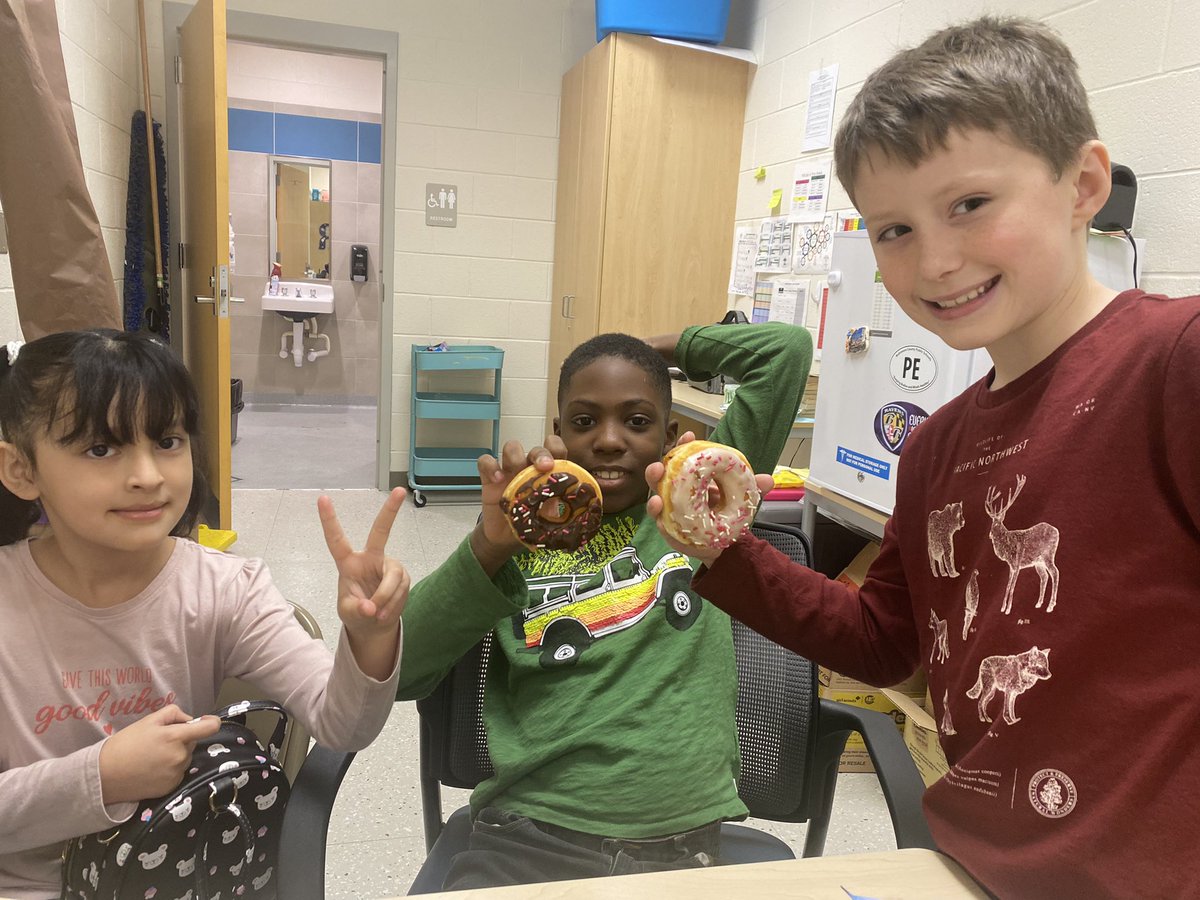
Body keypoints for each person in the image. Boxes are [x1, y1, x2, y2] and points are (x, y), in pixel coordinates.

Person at [645, 16, 1200, 899]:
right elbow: (883, 642)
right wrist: (721, 550)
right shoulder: (938, 447)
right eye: (892, 229)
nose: (934, 260)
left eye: (971, 205)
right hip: (973, 861)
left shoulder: (1171, 362)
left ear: (1083, 184)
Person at [397, 321, 812, 888]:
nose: (610, 439)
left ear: (670, 437)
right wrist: (487, 549)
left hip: (682, 853)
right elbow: (400, 670)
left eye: (637, 421)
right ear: (558, 432)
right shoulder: (519, 538)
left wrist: (647, 344)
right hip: (525, 840)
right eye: (585, 421)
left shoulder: (692, 514)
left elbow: (783, 353)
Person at [0, 329, 410, 899]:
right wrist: (100, 777)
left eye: (168, 441)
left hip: (175, 880)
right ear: (22, 470)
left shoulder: (226, 589)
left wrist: (369, 634)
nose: (148, 475)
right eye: (101, 448)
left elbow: (343, 724)